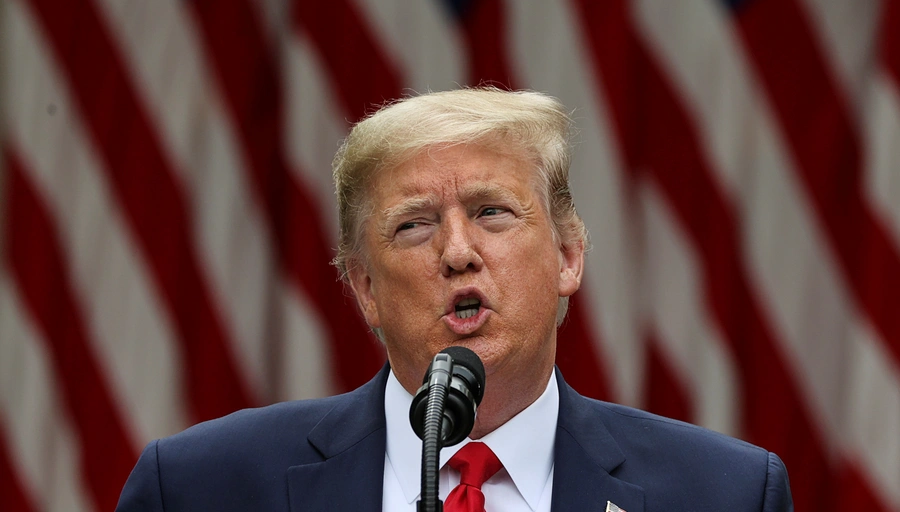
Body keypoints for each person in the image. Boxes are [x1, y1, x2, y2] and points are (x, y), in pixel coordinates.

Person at [116, 88, 793, 511]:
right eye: (414, 225)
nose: (458, 251)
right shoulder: (202, 489)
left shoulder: (722, 494)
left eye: (493, 212)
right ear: (365, 289)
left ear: (567, 255)